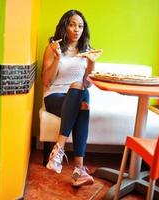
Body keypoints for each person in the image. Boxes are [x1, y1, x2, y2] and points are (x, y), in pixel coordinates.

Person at [41, 9, 102, 187]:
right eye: (73, 25)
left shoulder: (87, 51)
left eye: (80, 26)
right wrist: (58, 57)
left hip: (75, 97)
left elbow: (87, 83)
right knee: (80, 93)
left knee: (83, 97)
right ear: (65, 26)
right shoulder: (54, 48)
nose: (77, 30)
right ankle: (73, 163)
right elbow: (46, 81)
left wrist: (91, 62)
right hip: (54, 96)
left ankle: (75, 169)